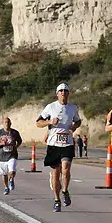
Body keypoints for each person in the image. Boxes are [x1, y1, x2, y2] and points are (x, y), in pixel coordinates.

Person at [36, 83, 81, 212]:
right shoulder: (50, 107)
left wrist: (75, 126)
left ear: (68, 93)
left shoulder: (72, 108)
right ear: (57, 94)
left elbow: (78, 120)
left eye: (65, 91)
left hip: (67, 143)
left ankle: (65, 191)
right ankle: (57, 200)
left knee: (65, 169)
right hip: (53, 144)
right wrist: (50, 122)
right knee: (55, 174)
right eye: (60, 91)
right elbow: (38, 122)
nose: (63, 93)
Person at [0, 117, 23, 195]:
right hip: (1, 156)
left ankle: (11, 179)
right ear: (3, 124)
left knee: (12, 170)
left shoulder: (15, 132)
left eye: (8, 122)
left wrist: (16, 146)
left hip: (12, 155)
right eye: (5, 122)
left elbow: (19, 141)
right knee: (4, 174)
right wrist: (1, 144)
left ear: (10, 123)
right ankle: (6, 187)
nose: (7, 124)